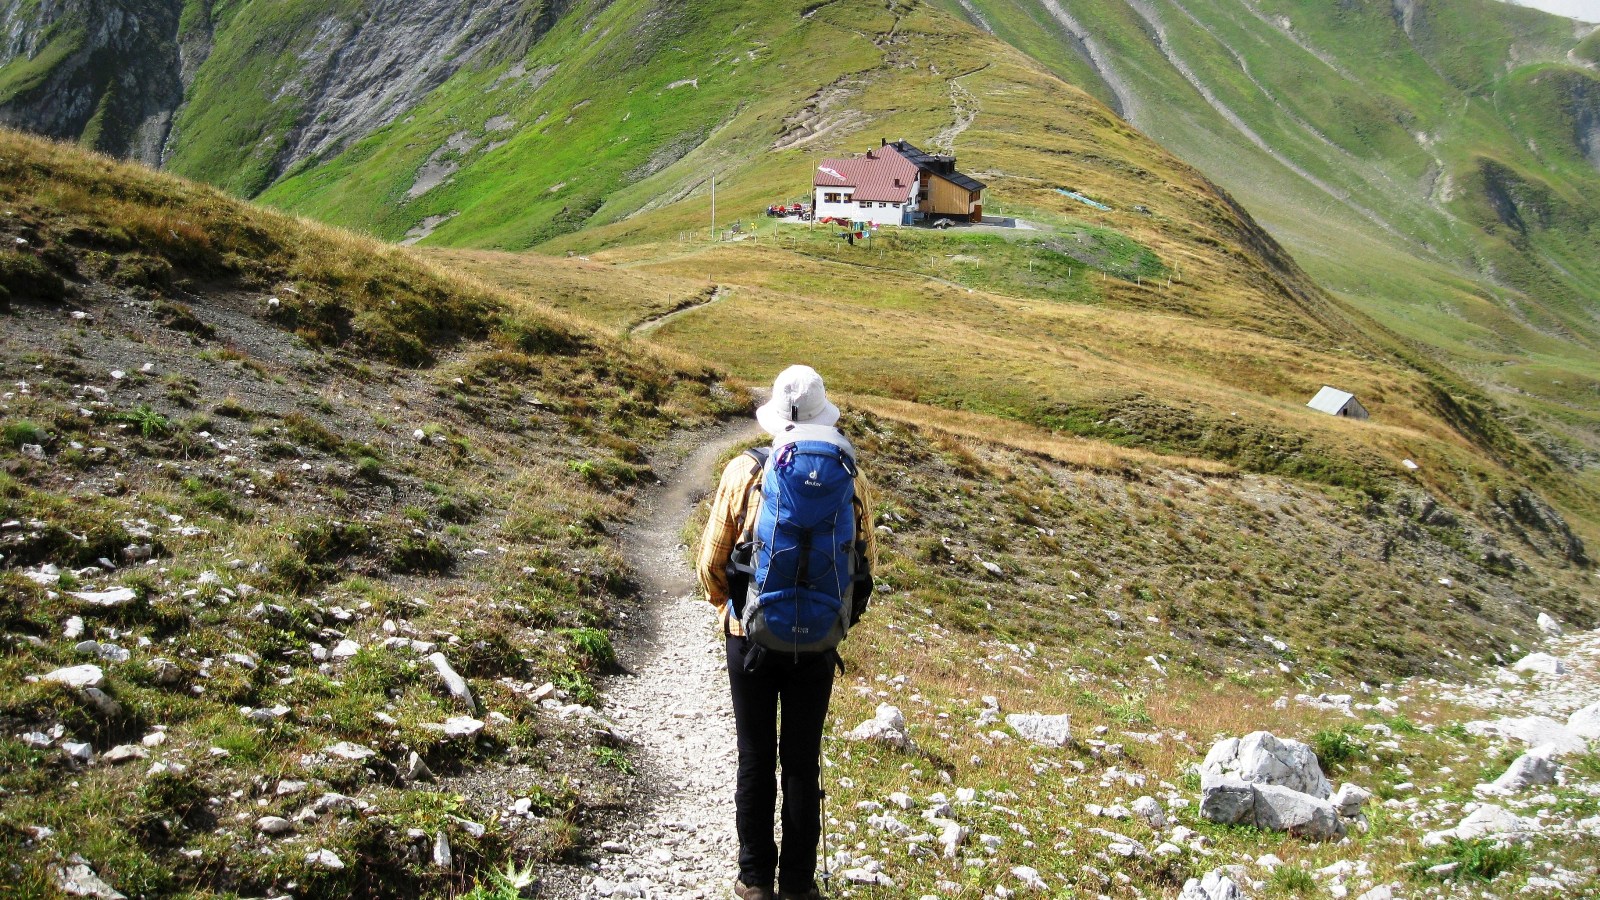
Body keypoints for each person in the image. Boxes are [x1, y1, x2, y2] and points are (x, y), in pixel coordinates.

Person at [698, 365, 877, 900]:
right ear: (824, 414)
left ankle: (754, 881)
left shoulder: (743, 471)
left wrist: (735, 611)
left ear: (776, 418)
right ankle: (798, 885)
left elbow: (711, 563)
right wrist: (833, 621)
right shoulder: (849, 475)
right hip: (818, 639)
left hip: (748, 637)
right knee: (801, 758)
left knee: (755, 755)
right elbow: (866, 564)